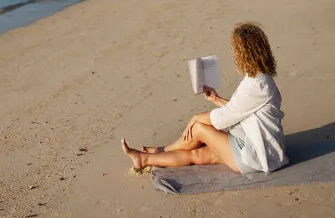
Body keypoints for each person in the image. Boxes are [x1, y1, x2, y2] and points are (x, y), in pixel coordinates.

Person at [121, 22, 288, 174]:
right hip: (255, 143)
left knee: (199, 127)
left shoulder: (256, 85)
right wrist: (216, 99)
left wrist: (195, 117)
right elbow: (241, 110)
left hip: (257, 156)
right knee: (197, 155)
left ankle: (161, 150)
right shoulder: (259, 79)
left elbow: (223, 119)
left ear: (244, 53)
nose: (234, 54)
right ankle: (145, 159)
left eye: (235, 50)